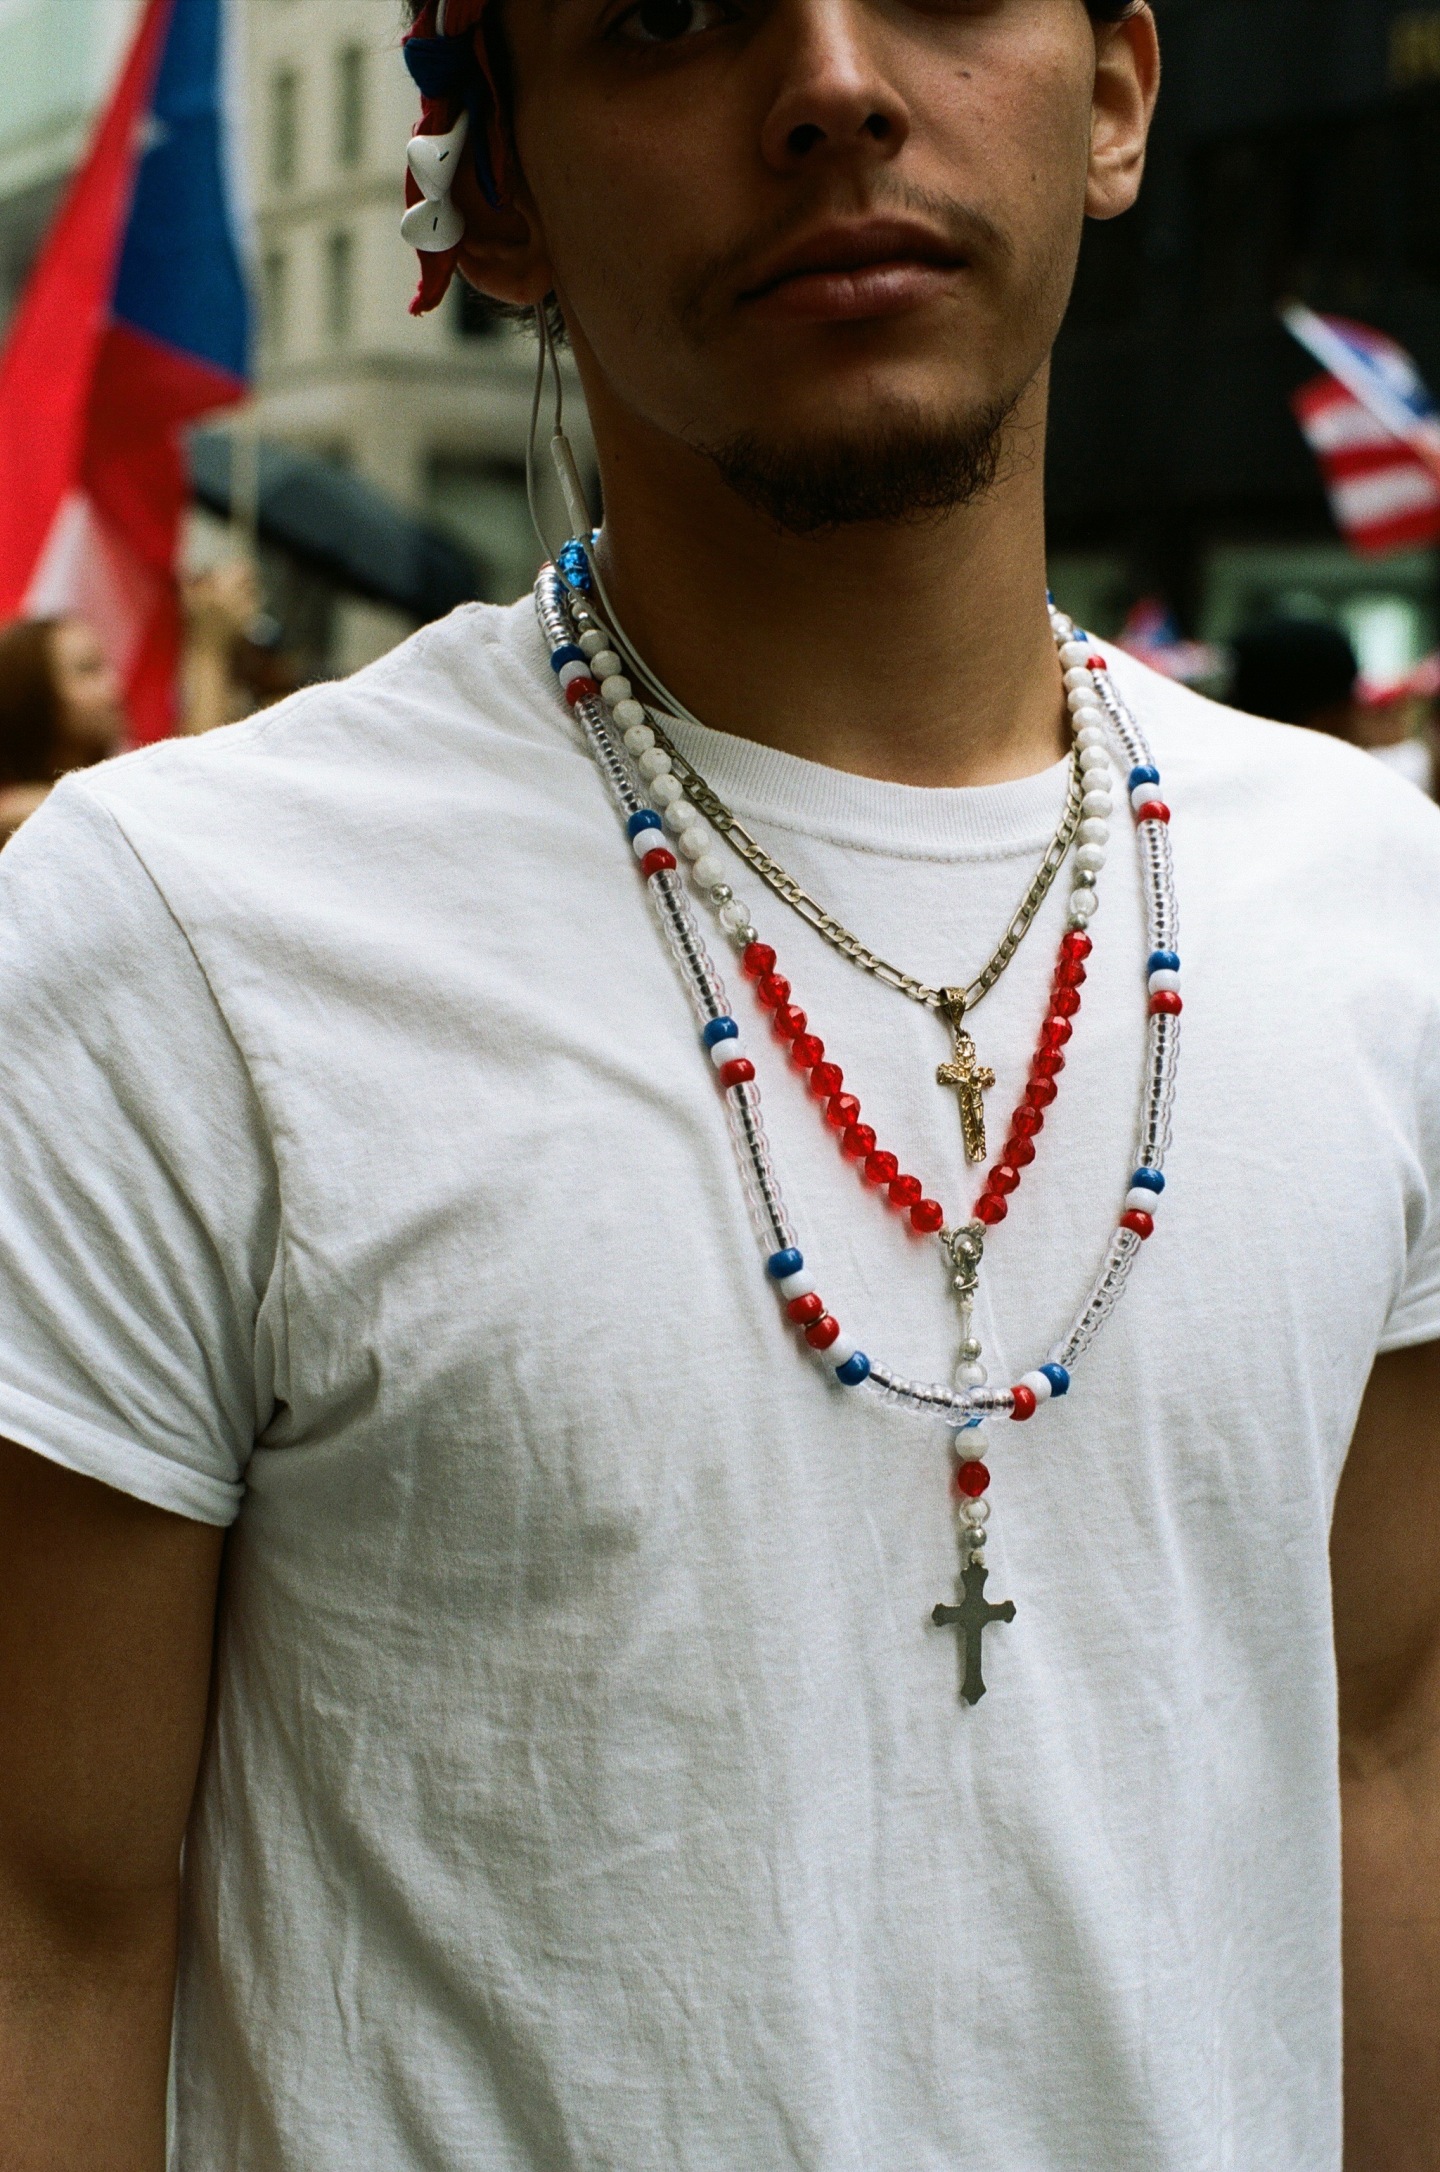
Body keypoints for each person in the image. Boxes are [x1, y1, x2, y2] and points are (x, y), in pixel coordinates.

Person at [1, 5, 1437, 2170]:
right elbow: (52, 1934)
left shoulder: (1376, 907)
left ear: (1122, 91)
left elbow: (1380, 1759)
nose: (837, 80)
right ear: (497, 195)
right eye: (673, 15)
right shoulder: (183, 937)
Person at [0, 614, 125, 842]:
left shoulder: (117, 789)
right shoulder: (15, 820)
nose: (113, 684)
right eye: (88, 669)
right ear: (34, 696)